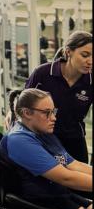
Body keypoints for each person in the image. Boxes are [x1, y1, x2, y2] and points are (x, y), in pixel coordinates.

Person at [1, 88, 92, 209]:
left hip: (58, 195)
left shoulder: (44, 133)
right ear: (27, 113)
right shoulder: (19, 140)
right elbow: (66, 177)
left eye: (53, 112)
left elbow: (74, 165)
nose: (54, 118)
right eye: (47, 113)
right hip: (41, 203)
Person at [25, 30, 92, 163]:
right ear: (68, 52)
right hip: (42, 137)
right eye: (85, 55)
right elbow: (23, 104)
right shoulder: (42, 74)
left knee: (82, 175)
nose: (90, 61)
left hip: (73, 138)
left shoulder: (90, 80)